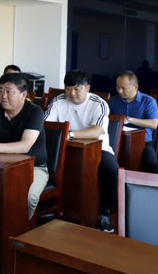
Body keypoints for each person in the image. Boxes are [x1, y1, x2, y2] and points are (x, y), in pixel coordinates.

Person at [45, 70, 117, 233]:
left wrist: (68, 134)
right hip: (65, 147)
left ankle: (104, 213)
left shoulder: (98, 103)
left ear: (87, 88)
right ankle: (53, 206)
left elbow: (96, 132)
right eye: (68, 88)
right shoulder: (58, 100)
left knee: (112, 169)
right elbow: (47, 126)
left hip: (98, 149)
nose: (72, 93)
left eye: (77, 89)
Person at [0, 73, 47, 220]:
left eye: (9, 91)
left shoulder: (34, 112)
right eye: (1, 91)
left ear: (23, 94)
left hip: (33, 167)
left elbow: (25, 146)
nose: (3, 96)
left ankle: (22, 229)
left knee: (29, 196)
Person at [109, 71, 158, 174]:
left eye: (124, 88)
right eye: (118, 87)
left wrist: (130, 120)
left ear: (136, 87)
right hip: (118, 140)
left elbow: (154, 124)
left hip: (144, 142)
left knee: (151, 163)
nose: (120, 91)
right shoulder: (113, 101)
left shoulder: (148, 101)